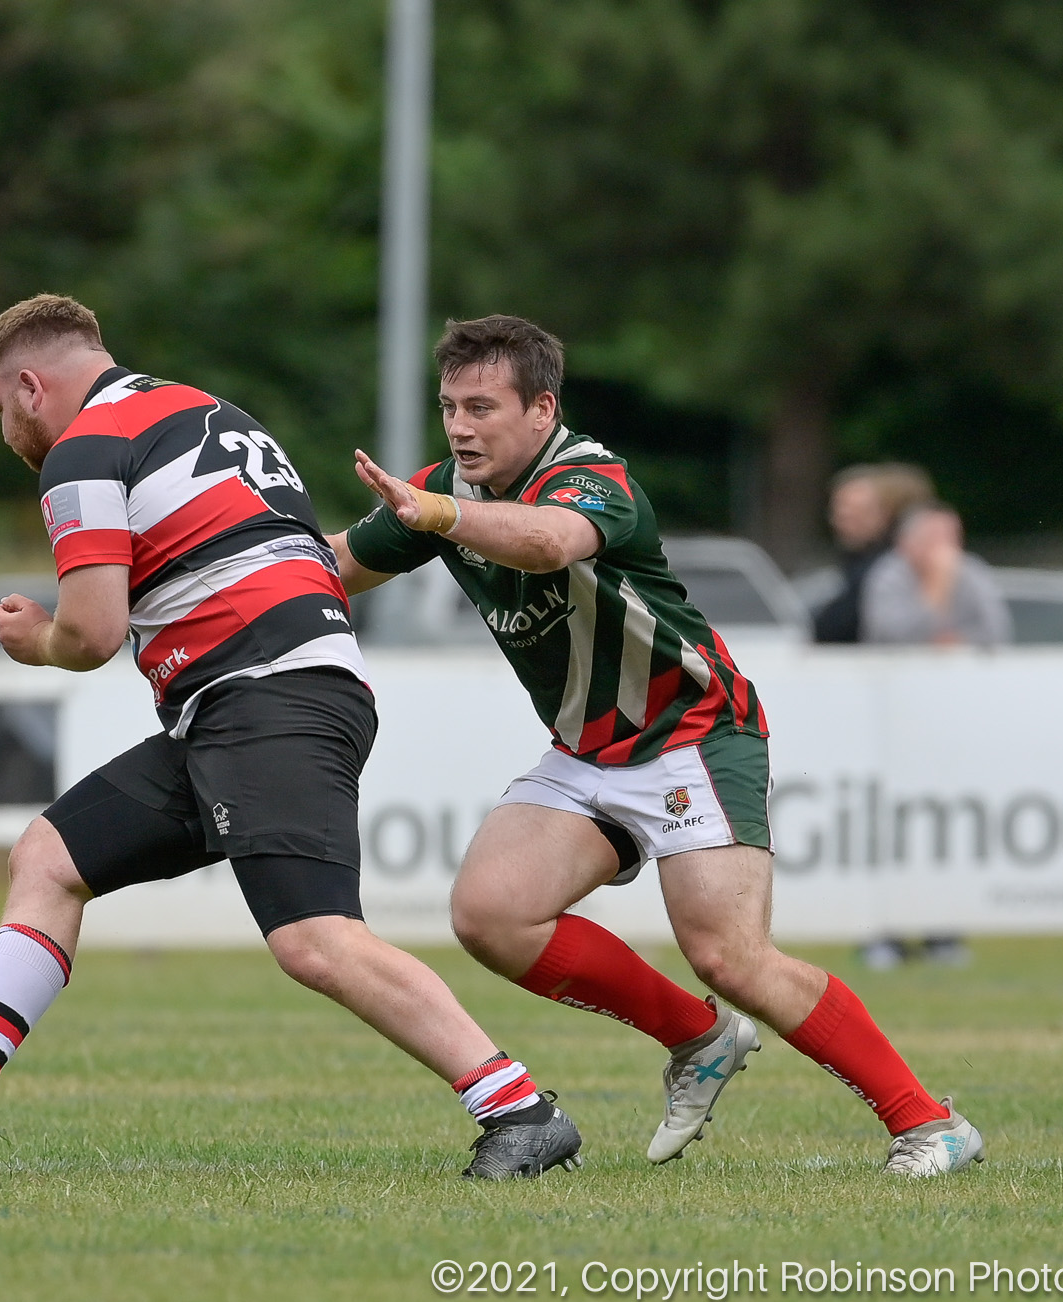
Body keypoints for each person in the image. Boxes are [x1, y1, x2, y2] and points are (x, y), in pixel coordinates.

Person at [0, 294, 582, 1180]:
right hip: (250, 698)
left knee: (316, 938)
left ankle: (517, 1107)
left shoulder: (84, 449)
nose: (6, 430)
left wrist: (38, 640)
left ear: (30, 384)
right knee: (51, 855)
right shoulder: (197, 407)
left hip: (266, 696)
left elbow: (93, 633)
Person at [329, 314, 984, 1176]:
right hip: (586, 752)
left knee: (730, 955)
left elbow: (547, 541)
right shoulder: (446, 492)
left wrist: (438, 513)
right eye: (450, 405)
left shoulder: (591, 477)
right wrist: (216, 568)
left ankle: (930, 1122)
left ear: (541, 409)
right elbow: (334, 564)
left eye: (482, 406)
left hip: (695, 733)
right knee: (491, 914)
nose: (459, 425)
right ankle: (697, 1035)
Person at [811, 464, 934, 644]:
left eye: (859, 512)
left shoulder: (882, 569)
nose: (841, 519)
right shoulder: (861, 562)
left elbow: (834, 626)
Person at [860, 502, 1011, 648]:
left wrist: (958, 642)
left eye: (951, 536)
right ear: (906, 541)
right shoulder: (888, 575)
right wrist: (937, 587)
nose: (944, 546)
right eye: (933, 537)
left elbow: (997, 632)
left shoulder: (971, 571)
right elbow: (892, 638)